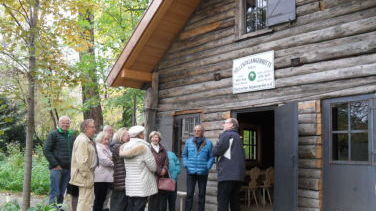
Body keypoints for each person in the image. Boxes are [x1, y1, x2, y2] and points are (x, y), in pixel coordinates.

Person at [119, 125, 157, 211]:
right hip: (142, 185)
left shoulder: (124, 147)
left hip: (130, 184)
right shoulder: (144, 148)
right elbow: (153, 167)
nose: (144, 135)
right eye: (142, 133)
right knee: (139, 207)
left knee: (130, 207)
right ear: (139, 135)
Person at [212, 118, 246, 211]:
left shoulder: (227, 135)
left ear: (231, 125)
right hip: (238, 176)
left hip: (227, 174)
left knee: (223, 202)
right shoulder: (238, 137)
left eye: (225, 123)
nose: (223, 125)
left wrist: (216, 145)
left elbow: (217, 151)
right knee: (235, 202)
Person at [43, 116, 75, 206]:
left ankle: (59, 208)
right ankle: (52, 208)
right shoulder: (53, 134)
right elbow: (46, 150)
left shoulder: (71, 135)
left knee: (62, 192)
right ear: (58, 123)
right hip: (56, 169)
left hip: (68, 169)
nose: (65, 124)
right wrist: (55, 164)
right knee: (55, 191)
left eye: (67, 123)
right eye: (63, 122)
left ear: (69, 124)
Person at [182, 125, 215, 211]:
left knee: (201, 194)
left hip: (203, 172)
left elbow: (212, 157)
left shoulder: (208, 143)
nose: (196, 132)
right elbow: (184, 155)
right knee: (189, 194)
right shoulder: (188, 142)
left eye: (199, 130)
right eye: (195, 130)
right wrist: (186, 164)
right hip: (190, 171)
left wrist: (207, 166)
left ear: (203, 132)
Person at [69, 119, 98, 211]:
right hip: (84, 176)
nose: (95, 129)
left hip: (86, 175)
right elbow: (82, 162)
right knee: (85, 201)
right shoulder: (82, 140)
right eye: (92, 127)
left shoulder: (85, 139)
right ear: (86, 128)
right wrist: (87, 175)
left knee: (86, 200)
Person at [148, 131, 169, 211]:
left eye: (156, 137)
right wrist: (159, 171)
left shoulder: (163, 149)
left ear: (159, 139)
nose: (155, 139)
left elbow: (167, 161)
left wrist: (165, 169)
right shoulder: (148, 148)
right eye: (153, 137)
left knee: (162, 197)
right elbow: (149, 162)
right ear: (150, 138)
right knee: (153, 197)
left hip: (163, 176)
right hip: (153, 175)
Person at [110, 127, 130, 211]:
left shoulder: (120, 146)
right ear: (121, 136)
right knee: (119, 204)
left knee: (122, 203)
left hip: (122, 178)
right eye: (126, 135)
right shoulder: (118, 146)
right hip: (120, 178)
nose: (129, 137)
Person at [93, 131, 114, 211]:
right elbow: (104, 161)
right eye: (105, 139)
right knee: (99, 199)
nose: (107, 141)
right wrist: (113, 163)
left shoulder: (106, 148)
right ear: (100, 139)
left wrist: (111, 160)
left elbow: (112, 158)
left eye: (108, 139)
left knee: (104, 199)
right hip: (100, 178)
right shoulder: (98, 147)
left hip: (107, 177)